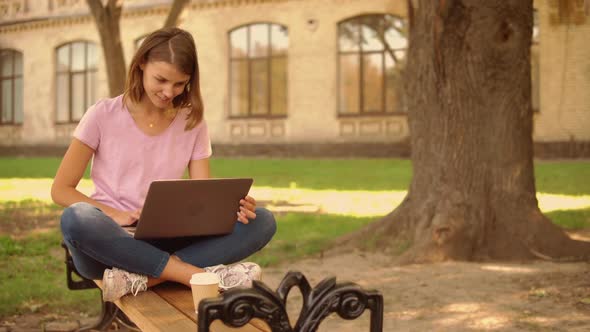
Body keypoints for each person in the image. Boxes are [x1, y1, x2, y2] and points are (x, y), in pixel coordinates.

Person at [51, 27, 276, 302]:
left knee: (263, 221)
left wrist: (232, 209)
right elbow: (61, 190)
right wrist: (115, 214)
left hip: (168, 238)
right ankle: (193, 274)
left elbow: (202, 198)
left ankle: (145, 279)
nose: (169, 92)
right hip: (111, 243)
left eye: (179, 84)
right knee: (76, 218)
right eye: (161, 80)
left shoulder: (192, 122)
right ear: (142, 63)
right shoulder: (103, 114)